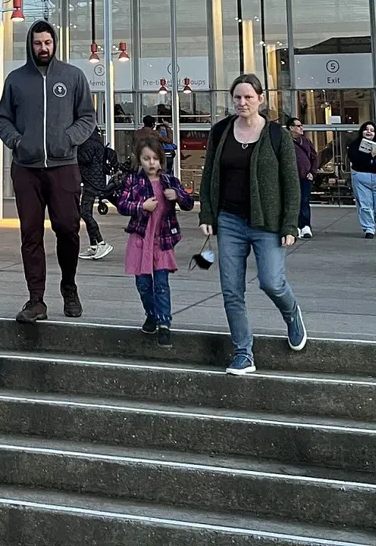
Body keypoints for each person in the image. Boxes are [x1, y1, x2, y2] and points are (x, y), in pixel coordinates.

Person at [198, 74, 307, 376]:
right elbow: (209, 176)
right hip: (229, 220)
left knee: (271, 281)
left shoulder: (276, 134)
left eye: (248, 97)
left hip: (267, 223)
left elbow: (291, 182)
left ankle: (292, 313)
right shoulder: (220, 132)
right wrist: (207, 214)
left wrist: (290, 224)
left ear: (261, 99)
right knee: (231, 290)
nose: (242, 102)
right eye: (237, 97)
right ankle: (243, 352)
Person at [0, 19, 97, 323]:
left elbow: (87, 118)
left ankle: (69, 286)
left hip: (64, 167)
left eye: (48, 43)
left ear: (55, 44)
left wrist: (68, 139)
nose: (43, 48)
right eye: (38, 43)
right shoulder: (16, 79)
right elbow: (3, 119)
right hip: (26, 169)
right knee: (31, 234)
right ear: (31, 45)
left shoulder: (73, 76)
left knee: (68, 228)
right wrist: (18, 142)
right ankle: (36, 300)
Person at [115, 138, 192, 341]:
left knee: (161, 283)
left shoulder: (169, 181)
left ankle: (164, 322)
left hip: (162, 240)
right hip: (140, 239)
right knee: (143, 284)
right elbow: (122, 204)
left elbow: (188, 202)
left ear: (161, 160)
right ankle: (152, 314)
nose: (151, 163)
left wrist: (177, 196)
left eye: (155, 159)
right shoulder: (133, 181)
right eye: (146, 158)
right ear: (139, 160)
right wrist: (141, 206)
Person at [348, 121, 376, 238]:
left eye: (372, 130)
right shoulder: (354, 145)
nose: (368, 132)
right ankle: (369, 229)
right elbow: (354, 159)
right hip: (361, 177)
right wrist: (369, 156)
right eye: (366, 129)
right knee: (364, 205)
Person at [77, 128, 113, 260]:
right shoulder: (97, 142)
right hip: (94, 180)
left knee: (84, 212)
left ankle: (101, 242)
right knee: (87, 213)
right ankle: (93, 246)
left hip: (91, 182)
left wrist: (74, 150)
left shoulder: (88, 144)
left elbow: (85, 159)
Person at [285, 116, 318, 239]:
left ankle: (305, 226)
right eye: (298, 126)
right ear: (291, 128)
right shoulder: (285, 142)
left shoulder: (306, 142)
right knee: (293, 202)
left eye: (301, 125)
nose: (301, 128)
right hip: (291, 178)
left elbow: (314, 158)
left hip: (305, 177)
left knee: (304, 201)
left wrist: (312, 172)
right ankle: (295, 226)